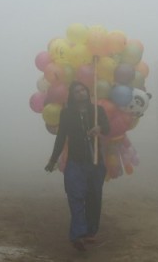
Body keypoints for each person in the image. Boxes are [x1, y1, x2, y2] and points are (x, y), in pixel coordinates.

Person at [45, 81, 110, 251]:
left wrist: (99, 127)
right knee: (75, 196)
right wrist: (53, 160)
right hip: (75, 162)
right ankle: (77, 234)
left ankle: (90, 232)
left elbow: (108, 128)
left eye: (83, 90)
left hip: (95, 162)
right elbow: (61, 138)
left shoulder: (97, 111)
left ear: (88, 92)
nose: (80, 93)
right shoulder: (66, 113)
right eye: (76, 91)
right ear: (72, 96)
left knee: (94, 198)